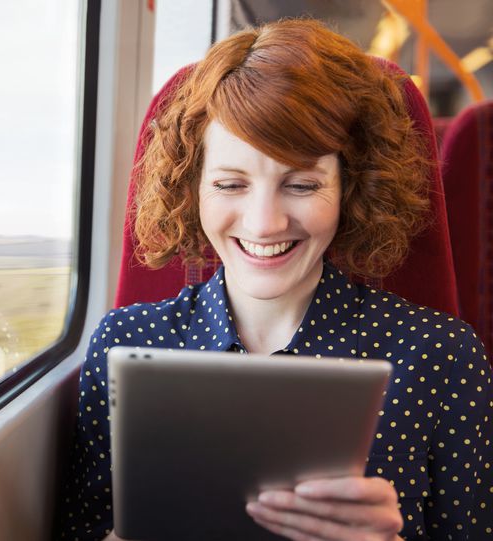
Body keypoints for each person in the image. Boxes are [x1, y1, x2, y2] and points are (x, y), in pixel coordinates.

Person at [58, 18, 493, 541]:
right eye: (230, 184)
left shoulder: (442, 356)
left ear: (351, 190)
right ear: (193, 189)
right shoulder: (124, 341)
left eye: (302, 184)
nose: (264, 222)